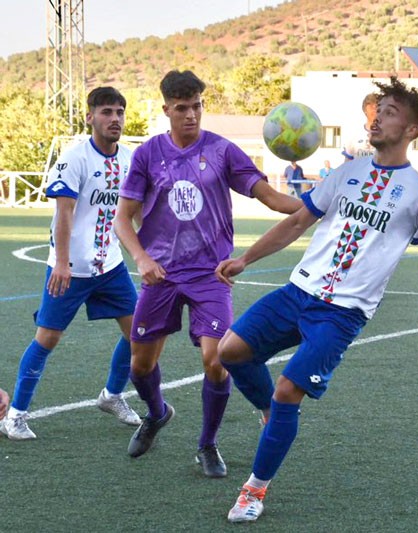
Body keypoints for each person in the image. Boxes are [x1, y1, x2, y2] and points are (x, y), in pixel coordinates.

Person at [215, 76, 418, 523]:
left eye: (391, 112)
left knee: (289, 390)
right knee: (230, 351)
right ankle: (268, 414)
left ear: (412, 130)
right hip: (297, 291)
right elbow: (297, 222)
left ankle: (254, 490)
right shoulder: (346, 172)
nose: (378, 118)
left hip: (342, 314)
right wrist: (246, 257)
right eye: (378, 110)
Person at [114, 70, 301, 478]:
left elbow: (268, 196)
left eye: (197, 106)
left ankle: (207, 445)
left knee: (216, 361)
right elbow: (122, 220)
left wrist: (313, 206)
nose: (191, 115)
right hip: (160, 274)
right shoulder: (146, 155)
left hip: (209, 274)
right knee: (140, 366)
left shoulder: (223, 151)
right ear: (166, 110)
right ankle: (157, 413)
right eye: (181, 108)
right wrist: (142, 259)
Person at [0, 87, 141, 441]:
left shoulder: (129, 159)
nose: (115, 119)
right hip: (71, 269)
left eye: (120, 112)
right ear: (90, 117)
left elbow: (133, 213)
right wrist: (61, 263)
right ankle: (15, 415)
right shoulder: (74, 157)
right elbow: (64, 214)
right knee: (47, 338)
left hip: (110, 266)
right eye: (107, 112)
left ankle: (111, 395)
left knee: (138, 332)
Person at [341, 92, 378, 163]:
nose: (374, 110)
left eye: (376, 107)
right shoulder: (354, 136)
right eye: (371, 107)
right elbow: (347, 163)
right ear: (365, 110)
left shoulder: (388, 135)